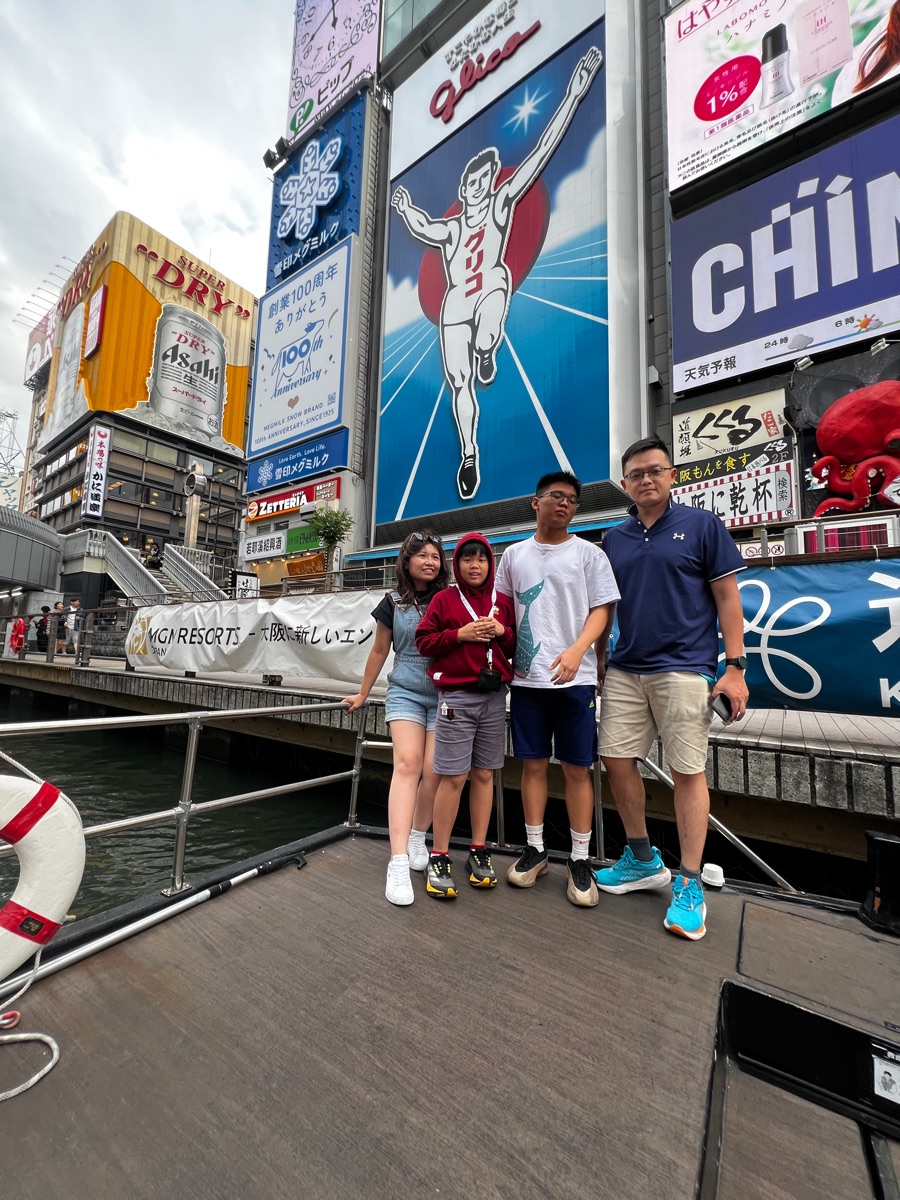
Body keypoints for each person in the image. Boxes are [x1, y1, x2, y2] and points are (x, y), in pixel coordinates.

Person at [390, 47, 602, 502]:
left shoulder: (502, 204)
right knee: (460, 382)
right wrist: (407, 211)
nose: (480, 189)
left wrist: (573, 96)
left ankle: (488, 349)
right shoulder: (449, 229)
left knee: (487, 329)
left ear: (491, 185)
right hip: (454, 307)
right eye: (473, 184)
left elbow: (541, 153)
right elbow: (423, 225)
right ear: (464, 189)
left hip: (490, 286)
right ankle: (470, 452)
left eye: (486, 182)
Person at [595, 436, 749, 942]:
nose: (646, 479)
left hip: (685, 668)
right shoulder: (613, 539)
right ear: (625, 483)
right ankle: (641, 859)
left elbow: (728, 599)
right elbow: (607, 609)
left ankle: (689, 881)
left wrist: (736, 667)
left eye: (655, 470)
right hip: (625, 668)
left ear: (673, 474)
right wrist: (599, 663)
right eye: (636, 473)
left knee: (687, 771)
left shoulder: (703, 526)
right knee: (616, 760)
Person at [495, 471, 620, 907]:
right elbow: (504, 614)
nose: (563, 504)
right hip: (527, 680)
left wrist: (578, 651)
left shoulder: (590, 554)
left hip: (577, 678)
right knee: (531, 766)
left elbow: (602, 611)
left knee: (576, 769)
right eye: (555, 496)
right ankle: (535, 850)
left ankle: (580, 859)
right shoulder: (512, 556)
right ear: (535, 502)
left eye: (571, 499)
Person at [344, 531, 450, 906]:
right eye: (420, 555)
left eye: (435, 556)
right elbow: (378, 650)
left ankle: (419, 834)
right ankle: (399, 860)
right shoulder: (391, 602)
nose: (429, 561)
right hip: (404, 688)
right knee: (407, 765)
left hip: (444, 691)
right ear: (405, 562)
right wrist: (363, 692)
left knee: (435, 768)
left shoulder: (449, 598)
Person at [414, 533, 516, 899]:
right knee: (454, 776)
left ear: (492, 563)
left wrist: (502, 631)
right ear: (456, 565)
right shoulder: (444, 599)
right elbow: (423, 642)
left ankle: (478, 848)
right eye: (468, 559)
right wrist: (461, 634)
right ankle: (439, 854)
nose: (475, 566)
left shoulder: (503, 602)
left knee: (485, 774)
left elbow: (517, 645)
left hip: (493, 697)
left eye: (482, 559)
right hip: (455, 697)